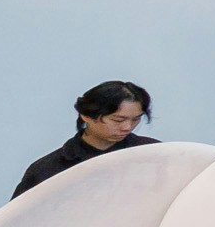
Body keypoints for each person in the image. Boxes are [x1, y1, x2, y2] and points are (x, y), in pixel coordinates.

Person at [16, 81, 156, 195]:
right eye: (118, 120)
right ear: (87, 116)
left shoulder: (153, 154)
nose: (127, 127)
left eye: (136, 119)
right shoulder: (48, 169)